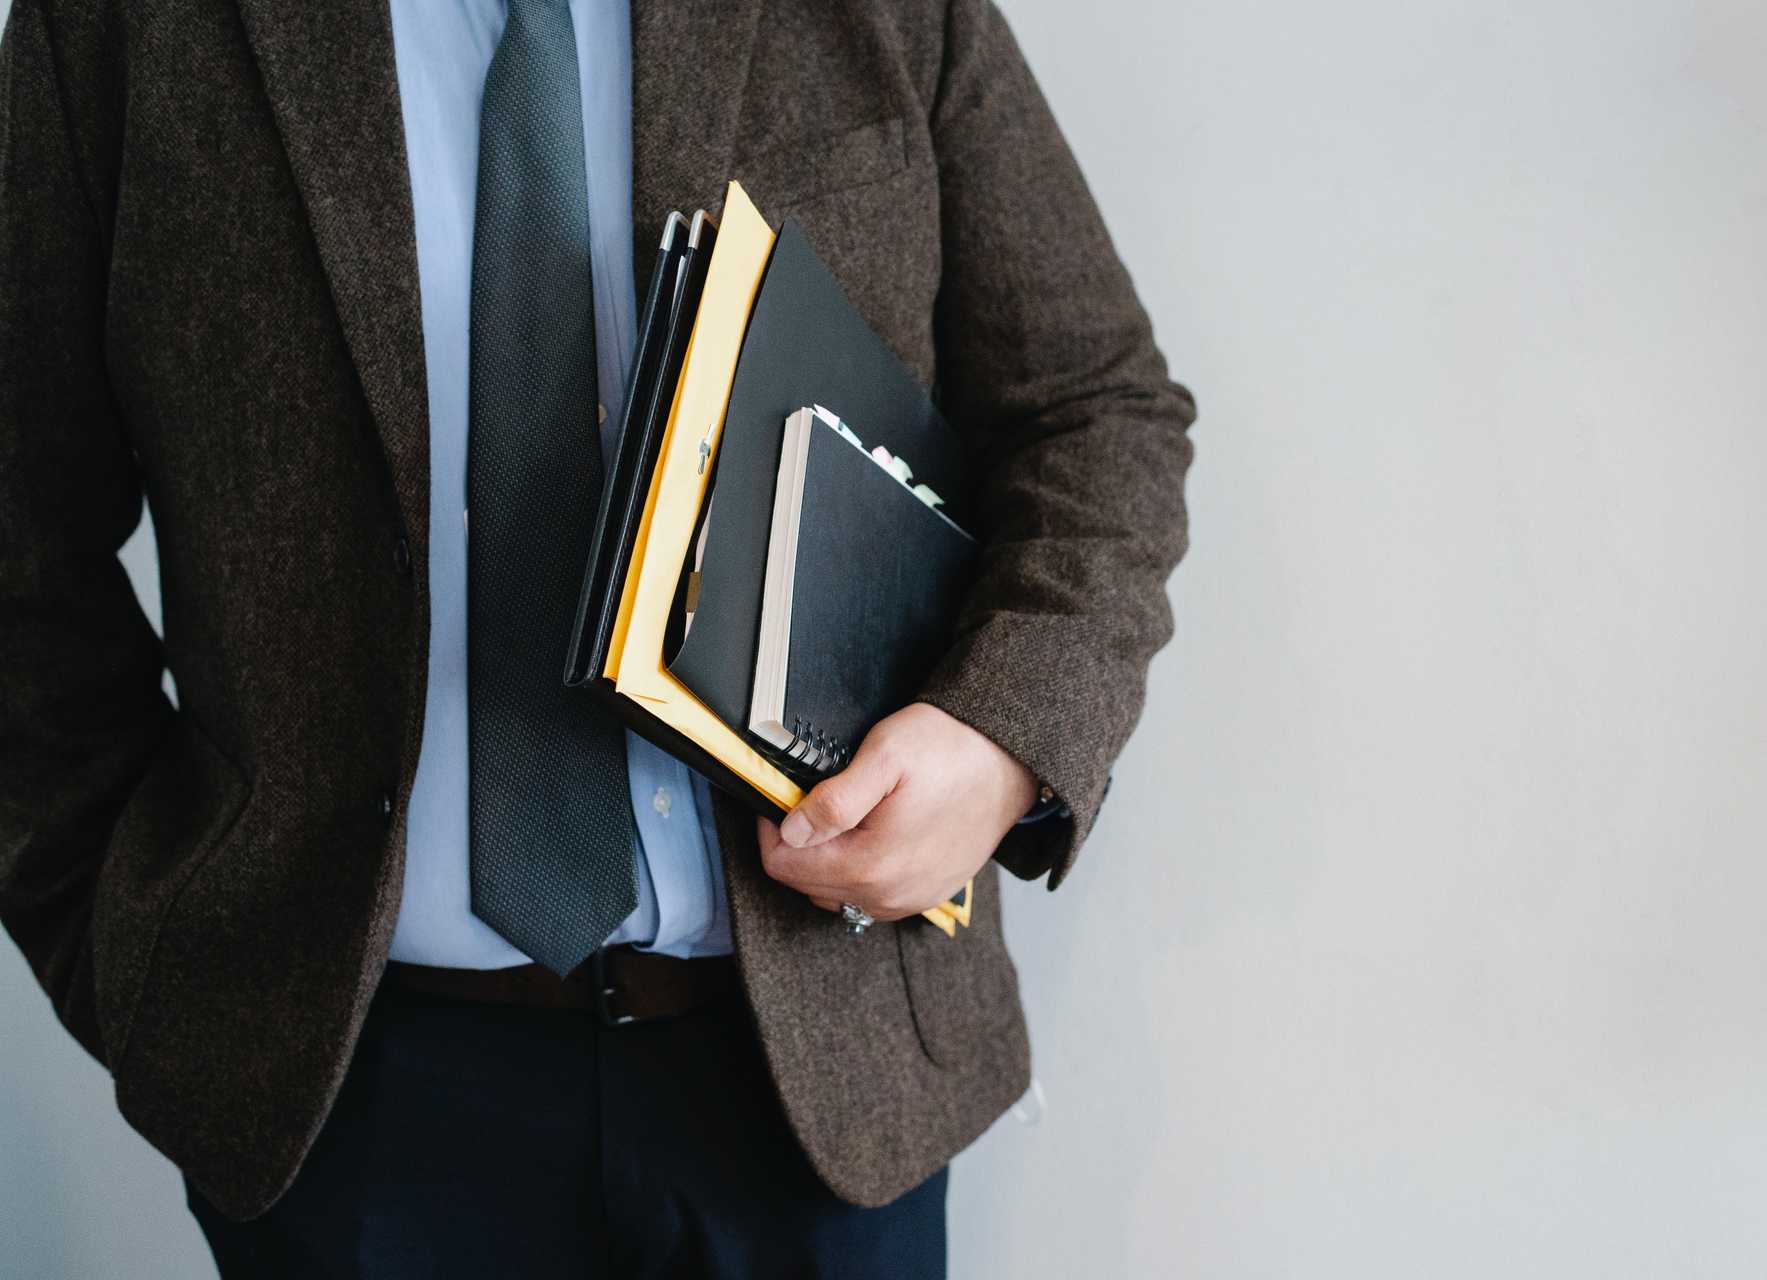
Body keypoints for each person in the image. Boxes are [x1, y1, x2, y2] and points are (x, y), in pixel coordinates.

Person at [0, 0, 1194, 1273]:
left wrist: (1006, 735)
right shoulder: (120, 25)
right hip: (345, 1105)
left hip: (821, 1076)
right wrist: (139, 963)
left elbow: (1093, 407)